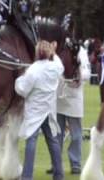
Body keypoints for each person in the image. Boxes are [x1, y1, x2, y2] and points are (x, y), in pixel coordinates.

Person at [15, 40, 64, 180]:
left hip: (35, 111)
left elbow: (22, 90)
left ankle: (27, 176)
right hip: (48, 110)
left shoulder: (32, 70)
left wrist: (19, 79)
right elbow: (60, 65)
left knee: (31, 142)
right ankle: (59, 175)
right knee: (53, 142)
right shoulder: (55, 67)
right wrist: (54, 52)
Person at [48, 44, 91, 175]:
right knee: (56, 133)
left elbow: (87, 72)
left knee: (76, 134)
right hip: (58, 96)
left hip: (74, 97)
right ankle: (56, 163)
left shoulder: (80, 50)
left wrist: (79, 76)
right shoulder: (55, 50)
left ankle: (76, 163)